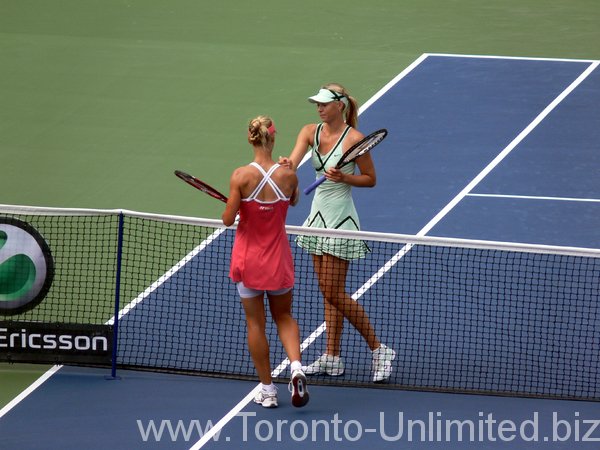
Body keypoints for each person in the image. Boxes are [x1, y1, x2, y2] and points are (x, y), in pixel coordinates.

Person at [280, 83, 396, 382]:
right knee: (326, 291)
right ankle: (332, 356)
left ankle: (379, 349)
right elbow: (292, 162)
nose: (318, 108)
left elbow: (370, 179)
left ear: (339, 106)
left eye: (324, 104)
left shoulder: (354, 140)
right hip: (317, 216)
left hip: (340, 219)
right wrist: (284, 165)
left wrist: (345, 176)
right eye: (316, 104)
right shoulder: (310, 131)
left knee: (333, 290)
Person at [222, 115, 308, 408]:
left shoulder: (240, 176)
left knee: (255, 324)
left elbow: (227, 220)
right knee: (284, 317)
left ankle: (268, 390)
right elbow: (292, 201)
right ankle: (296, 367)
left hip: (249, 261)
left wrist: (237, 206)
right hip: (278, 259)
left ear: (251, 138)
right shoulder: (289, 175)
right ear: (273, 138)